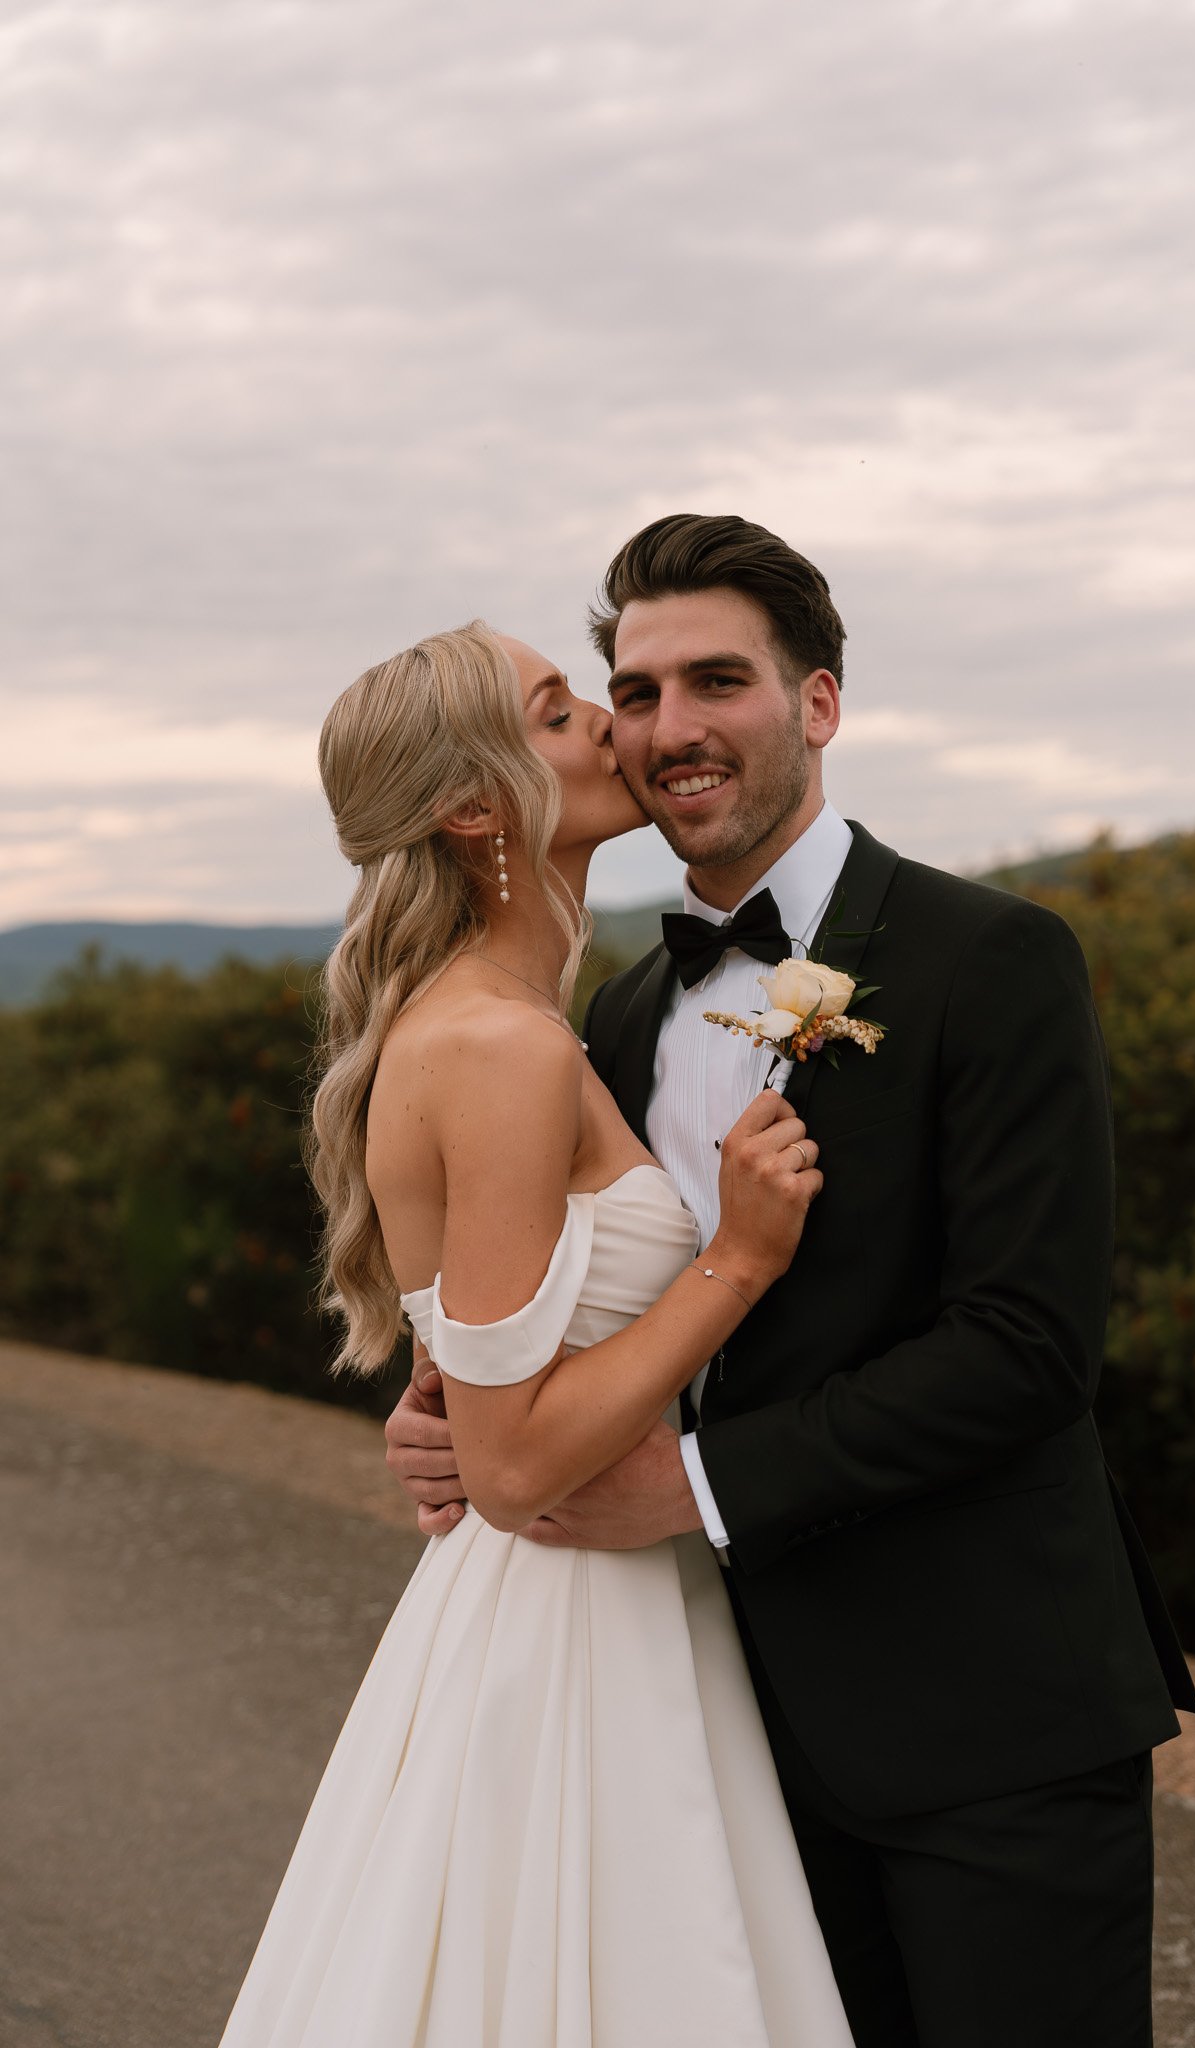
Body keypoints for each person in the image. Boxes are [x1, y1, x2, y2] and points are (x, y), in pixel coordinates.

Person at [386, 514, 1195, 2048]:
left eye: (718, 681)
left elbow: (1025, 1349)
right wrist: (460, 1409)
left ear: (816, 703)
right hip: (709, 1740)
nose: (670, 728)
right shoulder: (607, 1023)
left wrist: (688, 1485)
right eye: (633, 692)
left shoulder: (996, 957)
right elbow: (581, 1314)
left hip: (986, 1723)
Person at [218, 620, 858, 2047]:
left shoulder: (511, 1024)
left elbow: (483, 1377)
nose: (615, 731)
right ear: (471, 803)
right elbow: (511, 1474)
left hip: (600, 1606)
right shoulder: (500, 1049)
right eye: (564, 711)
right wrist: (737, 1264)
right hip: (575, 1626)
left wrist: (444, 1397)